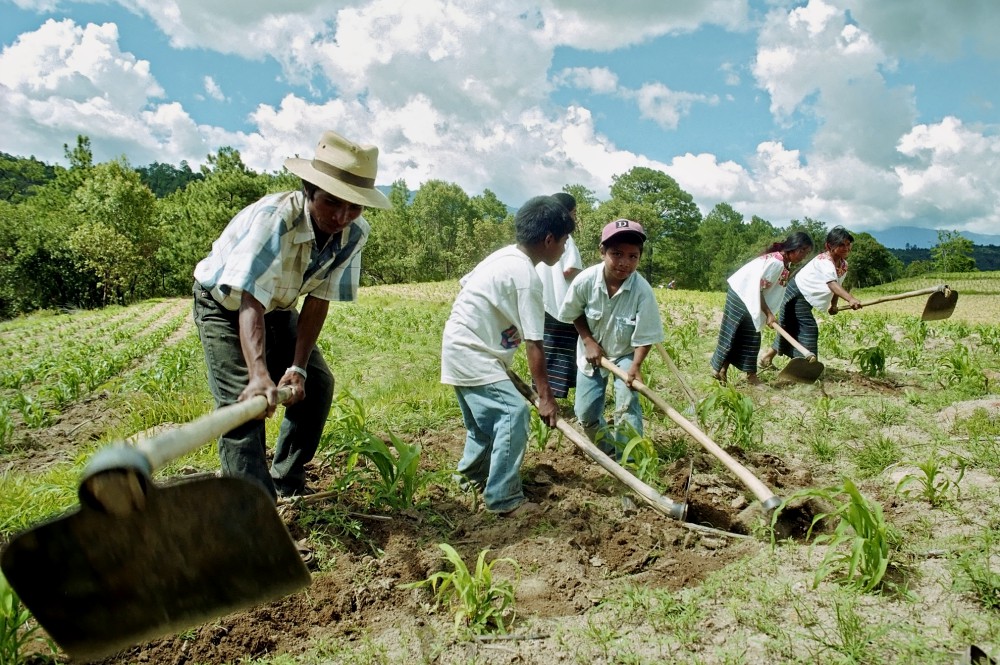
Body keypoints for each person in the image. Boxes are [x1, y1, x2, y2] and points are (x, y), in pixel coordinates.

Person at [192, 130, 391, 502]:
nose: (342, 216)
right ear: (309, 190)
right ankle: (255, 515)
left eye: (354, 207)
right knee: (244, 408)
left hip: (279, 308)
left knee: (317, 384)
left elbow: (318, 299)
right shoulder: (276, 219)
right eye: (332, 203)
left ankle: (286, 482)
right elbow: (250, 299)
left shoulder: (353, 234)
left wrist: (296, 369)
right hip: (225, 305)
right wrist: (259, 376)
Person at [441, 195, 574, 517]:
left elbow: (467, 285)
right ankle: (503, 497)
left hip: (461, 347)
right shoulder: (527, 278)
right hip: (474, 354)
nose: (566, 247)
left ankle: (471, 479)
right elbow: (534, 344)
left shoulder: (503, 257)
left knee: (483, 426)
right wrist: (546, 397)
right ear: (548, 239)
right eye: (565, 240)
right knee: (513, 414)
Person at [559, 219, 664, 459]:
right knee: (585, 413)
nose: (624, 263)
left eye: (632, 256)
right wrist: (588, 341)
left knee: (627, 407)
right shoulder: (586, 281)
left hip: (626, 353)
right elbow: (573, 312)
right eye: (617, 254)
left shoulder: (642, 290)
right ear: (602, 252)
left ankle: (631, 459)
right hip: (592, 355)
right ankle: (610, 452)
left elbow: (646, 334)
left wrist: (636, 366)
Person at [710, 232, 814, 386]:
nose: (803, 255)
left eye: (807, 252)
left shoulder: (783, 262)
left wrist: (769, 313)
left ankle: (722, 371)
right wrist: (769, 314)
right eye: (802, 250)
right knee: (748, 336)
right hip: (742, 294)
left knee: (739, 335)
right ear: (793, 247)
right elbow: (756, 289)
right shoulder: (776, 263)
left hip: (747, 293)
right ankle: (750, 377)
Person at [760, 226, 862, 368]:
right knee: (808, 328)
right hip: (797, 293)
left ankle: (767, 358)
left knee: (789, 327)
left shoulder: (843, 265)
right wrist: (850, 299)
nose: (846, 248)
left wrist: (833, 305)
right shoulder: (824, 261)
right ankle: (804, 367)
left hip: (805, 296)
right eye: (841, 245)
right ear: (829, 246)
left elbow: (838, 284)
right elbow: (832, 284)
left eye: (848, 244)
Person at [534, 192, 583, 399]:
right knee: (560, 351)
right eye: (574, 213)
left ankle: (546, 394)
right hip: (561, 302)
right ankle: (549, 396)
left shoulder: (541, 235)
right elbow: (569, 269)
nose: (574, 218)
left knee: (548, 349)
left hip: (544, 301)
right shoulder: (566, 237)